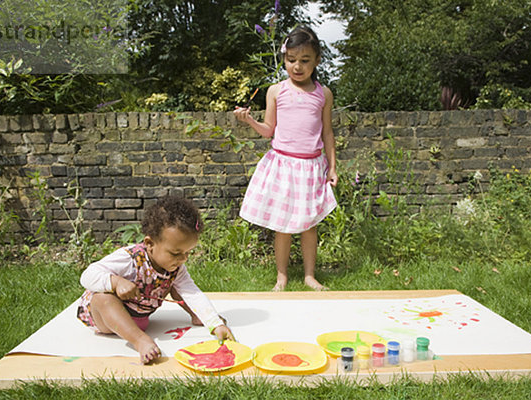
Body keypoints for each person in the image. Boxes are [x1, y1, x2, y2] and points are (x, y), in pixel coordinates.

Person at [234, 25, 338, 292]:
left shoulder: (323, 94)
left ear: (316, 61)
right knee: (283, 225)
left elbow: (327, 132)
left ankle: (309, 276)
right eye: (291, 60)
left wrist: (332, 167)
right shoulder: (275, 91)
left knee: (309, 225)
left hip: (312, 167)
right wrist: (250, 121)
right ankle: (281, 276)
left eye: (305, 60)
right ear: (284, 60)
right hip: (283, 165)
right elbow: (269, 129)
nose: (298, 66)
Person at [76, 195, 234, 364]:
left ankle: (197, 315)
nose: (183, 259)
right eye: (175, 253)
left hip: (139, 319)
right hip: (106, 319)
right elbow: (87, 275)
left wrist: (214, 323)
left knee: (179, 285)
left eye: (188, 252)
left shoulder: (175, 267)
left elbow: (191, 292)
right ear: (150, 243)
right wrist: (116, 282)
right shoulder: (129, 258)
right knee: (102, 298)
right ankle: (139, 340)